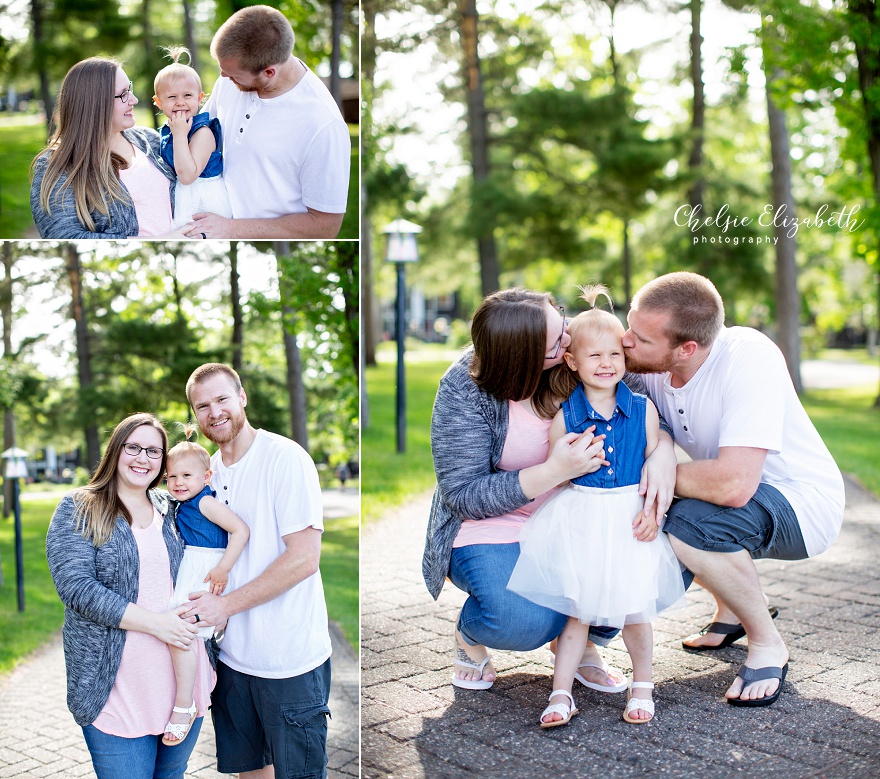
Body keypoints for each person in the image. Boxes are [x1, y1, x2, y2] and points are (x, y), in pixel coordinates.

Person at [424, 288, 679, 693]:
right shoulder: (465, 388)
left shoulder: (585, 347)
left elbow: (642, 411)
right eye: (556, 344)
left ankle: (583, 643)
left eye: (562, 325)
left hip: (584, 514)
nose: (568, 342)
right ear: (522, 361)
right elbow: (463, 494)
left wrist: (663, 450)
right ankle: (469, 634)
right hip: (496, 523)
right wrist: (554, 471)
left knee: (659, 559)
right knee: (520, 621)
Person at [622, 271, 846, 707]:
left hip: (801, 502)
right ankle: (731, 612)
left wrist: (656, 476)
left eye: (640, 337)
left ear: (687, 348)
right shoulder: (650, 362)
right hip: (749, 495)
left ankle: (767, 644)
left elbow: (734, 485)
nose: (627, 341)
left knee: (687, 523)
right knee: (646, 507)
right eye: (629, 325)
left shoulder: (748, 355)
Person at [506, 286, 684, 728]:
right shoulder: (566, 415)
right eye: (594, 357)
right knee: (578, 612)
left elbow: (655, 468)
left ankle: (643, 686)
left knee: (634, 611)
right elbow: (557, 470)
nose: (607, 365)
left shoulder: (642, 409)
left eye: (614, 356)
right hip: (583, 517)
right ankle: (561, 691)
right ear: (571, 361)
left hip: (627, 518)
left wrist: (652, 514)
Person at [181, 363, 332, 778]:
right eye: (202, 406)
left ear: (242, 397)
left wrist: (223, 605)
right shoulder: (205, 473)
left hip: (289, 660)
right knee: (251, 774)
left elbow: (304, 558)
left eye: (222, 399)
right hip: (231, 659)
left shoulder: (285, 458)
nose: (214, 412)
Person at [46, 413, 214, 779]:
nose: (143, 458)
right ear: (115, 451)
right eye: (133, 447)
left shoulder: (173, 508)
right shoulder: (79, 507)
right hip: (116, 687)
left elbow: (206, 559)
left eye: (154, 451)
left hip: (181, 682)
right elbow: (77, 588)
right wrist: (158, 625)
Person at [182, 5, 350, 240]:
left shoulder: (322, 125)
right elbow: (206, 129)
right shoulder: (232, 78)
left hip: (255, 243)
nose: (223, 77)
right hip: (202, 218)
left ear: (269, 72)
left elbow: (325, 225)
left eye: (233, 74)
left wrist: (231, 229)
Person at [31, 58, 189, 239]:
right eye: (123, 94)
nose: (134, 100)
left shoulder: (149, 139)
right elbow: (62, 235)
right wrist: (161, 241)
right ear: (95, 103)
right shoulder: (56, 165)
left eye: (129, 89)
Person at [163, 430, 249, 746]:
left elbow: (240, 530)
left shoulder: (206, 502)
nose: (178, 482)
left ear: (206, 476)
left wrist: (223, 568)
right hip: (190, 565)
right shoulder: (180, 503)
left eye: (186, 475)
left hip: (204, 568)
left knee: (181, 634)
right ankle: (191, 693)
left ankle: (185, 704)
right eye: (171, 476)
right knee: (179, 634)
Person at [152, 47, 233, 229]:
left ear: (199, 98)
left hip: (204, 201)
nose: (180, 102)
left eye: (187, 95)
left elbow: (188, 175)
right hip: (182, 198)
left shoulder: (202, 132)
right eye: (172, 97)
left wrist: (180, 136)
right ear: (159, 102)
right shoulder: (167, 131)